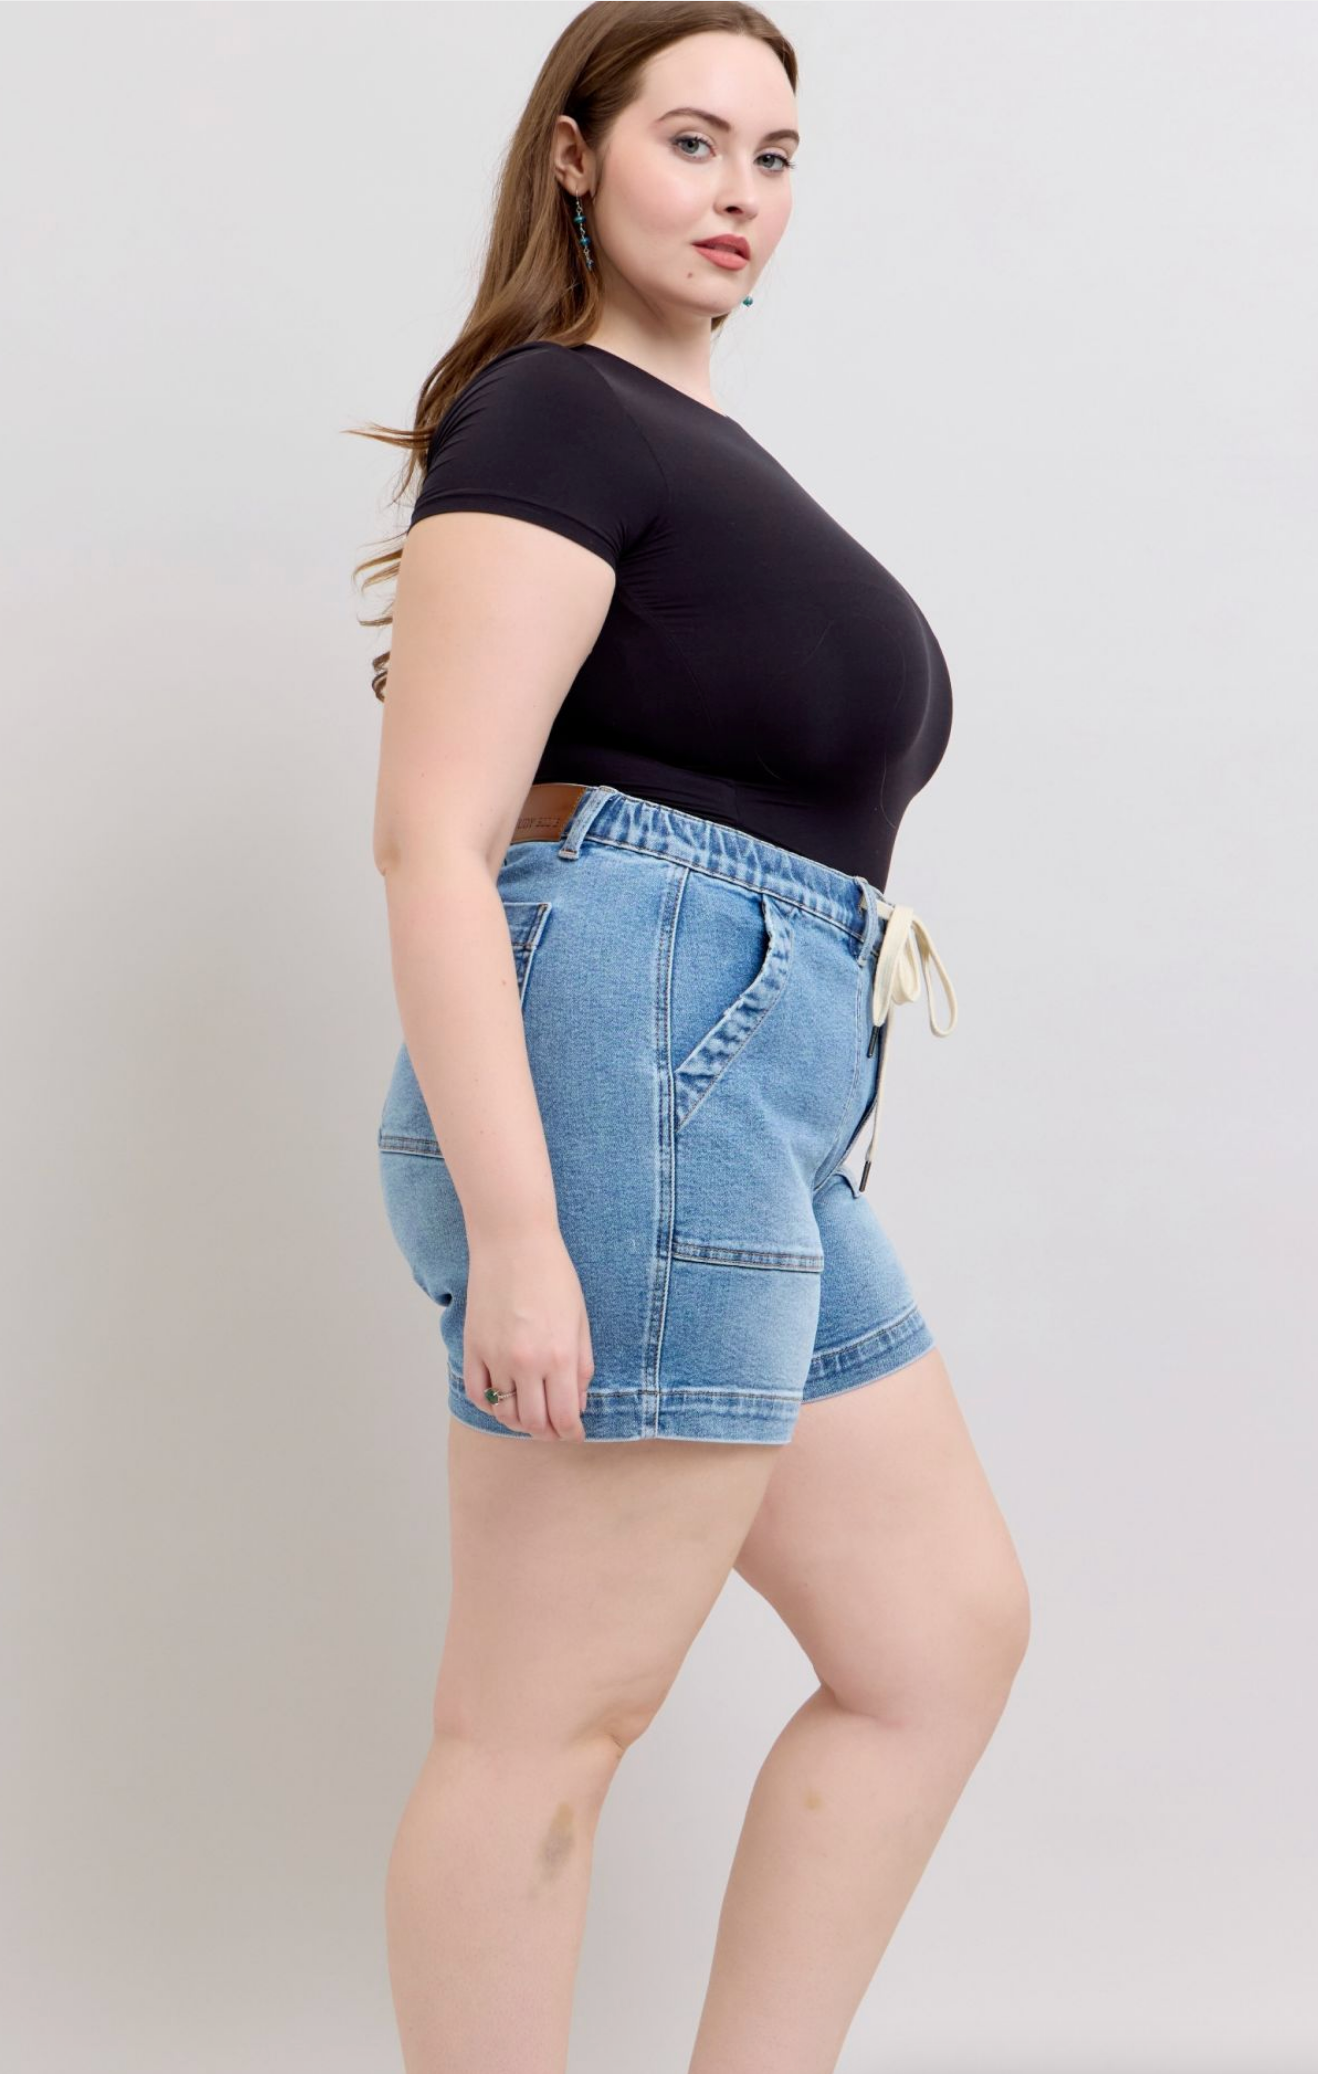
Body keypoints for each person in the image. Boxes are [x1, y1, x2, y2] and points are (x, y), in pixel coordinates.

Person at [358, 7, 1030, 2069]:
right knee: (545, 1717)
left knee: (934, 1636)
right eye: (691, 141)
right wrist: (521, 1228)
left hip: (747, 1084)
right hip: (630, 1071)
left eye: (775, 156)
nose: (741, 194)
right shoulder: (553, 418)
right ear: (574, 155)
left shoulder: (686, 444)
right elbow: (434, 836)